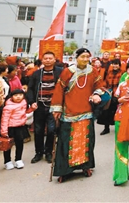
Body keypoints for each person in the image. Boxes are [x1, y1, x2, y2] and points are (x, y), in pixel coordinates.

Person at [50, 48, 106, 182]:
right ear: (77, 58)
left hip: (86, 112)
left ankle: (85, 166)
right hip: (69, 112)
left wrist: (97, 94)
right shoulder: (67, 72)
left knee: (86, 141)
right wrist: (57, 109)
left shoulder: (93, 71)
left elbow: (100, 86)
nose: (85, 59)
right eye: (83, 57)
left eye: (88, 57)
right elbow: (59, 90)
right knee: (66, 141)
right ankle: (64, 170)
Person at [26, 51, 63, 164]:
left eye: (50, 58)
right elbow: (30, 89)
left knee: (52, 130)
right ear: (42, 60)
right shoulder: (36, 74)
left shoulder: (60, 72)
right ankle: (38, 153)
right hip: (40, 106)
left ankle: (49, 152)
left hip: (54, 106)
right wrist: (32, 102)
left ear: (54, 59)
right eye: (45, 58)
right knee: (38, 130)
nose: (47, 60)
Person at [0, 88, 37, 170]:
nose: (18, 97)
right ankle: (7, 161)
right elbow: (4, 119)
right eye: (16, 95)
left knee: (20, 143)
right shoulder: (8, 107)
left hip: (20, 126)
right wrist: (4, 131)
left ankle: (18, 159)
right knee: (8, 145)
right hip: (10, 127)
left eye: (20, 95)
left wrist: (32, 109)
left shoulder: (24, 103)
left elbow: (26, 112)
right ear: (11, 97)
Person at [97, 59, 123, 135]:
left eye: (117, 64)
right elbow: (106, 82)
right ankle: (106, 128)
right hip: (109, 93)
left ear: (119, 65)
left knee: (118, 112)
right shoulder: (109, 73)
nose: (115, 66)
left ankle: (119, 129)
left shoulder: (122, 73)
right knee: (106, 111)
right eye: (114, 64)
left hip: (118, 95)